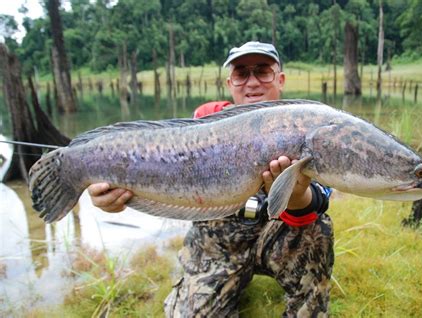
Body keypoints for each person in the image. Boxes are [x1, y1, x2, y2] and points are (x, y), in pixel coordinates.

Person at [88, 41, 334, 317]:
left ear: (281, 79)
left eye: (262, 71)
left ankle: (308, 304)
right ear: (230, 82)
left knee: (320, 229)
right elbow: (169, 172)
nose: (252, 82)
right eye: (242, 73)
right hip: (219, 242)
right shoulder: (207, 119)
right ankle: (223, 285)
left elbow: (321, 197)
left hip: (279, 234)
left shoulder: (309, 124)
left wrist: (296, 195)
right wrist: (118, 193)